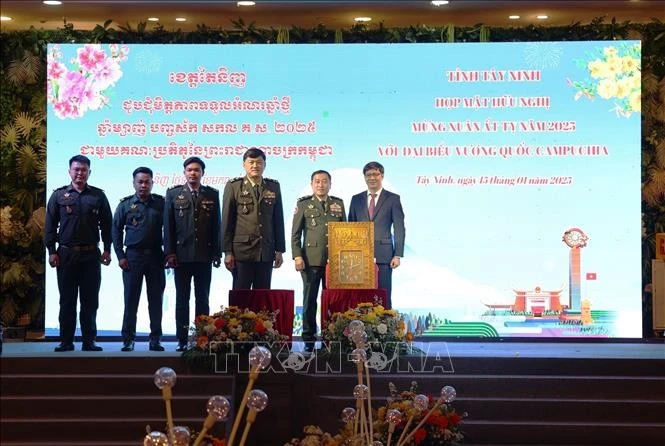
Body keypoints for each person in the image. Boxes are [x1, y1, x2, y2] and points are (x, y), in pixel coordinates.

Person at [45, 154, 113, 352]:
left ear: (89, 172)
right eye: (76, 169)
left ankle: (88, 341)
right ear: (69, 171)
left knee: (90, 301)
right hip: (66, 255)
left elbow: (107, 225)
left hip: (91, 256)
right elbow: (50, 226)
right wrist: (51, 251)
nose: (80, 173)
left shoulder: (98, 196)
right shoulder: (58, 195)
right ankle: (66, 341)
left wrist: (107, 249)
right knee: (67, 300)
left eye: (84, 170)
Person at [164, 156, 222, 351]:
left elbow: (216, 226)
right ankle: (181, 339)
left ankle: (201, 339)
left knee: (203, 299)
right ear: (184, 173)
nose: (193, 173)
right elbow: (168, 227)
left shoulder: (212, 195)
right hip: (181, 257)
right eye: (189, 170)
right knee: (182, 299)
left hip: (204, 256)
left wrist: (216, 252)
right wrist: (169, 253)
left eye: (197, 170)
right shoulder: (173, 194)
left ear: (202, 173)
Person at [291, 170, 346, 352]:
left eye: (324, 181)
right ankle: (308, 339)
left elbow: (345, 233)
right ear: (312, 184)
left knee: (333, 302)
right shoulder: (304, 204)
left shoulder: (338, 204)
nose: (321, 185)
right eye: (317, 181)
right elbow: (295, 234)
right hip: (310, 260)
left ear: (331, 184)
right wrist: (297, 256)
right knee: (310, 301)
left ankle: (331, 339)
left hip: (334, 262)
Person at [112, 167, 166, 352]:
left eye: (147, 182)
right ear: (134, 183)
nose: (143, 185)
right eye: (140, 182)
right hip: (132, 257)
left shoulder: (161, 203)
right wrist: (120, 255)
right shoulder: (125, 205)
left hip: (156, 257)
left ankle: (155, 339)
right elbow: (116, 231)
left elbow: (171, 229)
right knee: (131, 300)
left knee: (156, 301)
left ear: (152, 183)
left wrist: (169, 253)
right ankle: (128, 339)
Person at [222, 147, 285, 289]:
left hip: (266, 251)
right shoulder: (234, 186)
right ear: (244, 165)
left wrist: (279, 250)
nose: (255, 166)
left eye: (259, 162)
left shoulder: (273, 186)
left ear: (264, 165)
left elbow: (278, 220)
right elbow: (226, 221)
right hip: (241, 252)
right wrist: (227, 252)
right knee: (240, 297)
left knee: (262, 298)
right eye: (251, 162)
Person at [348, 161, 405, 308]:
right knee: (361, 297)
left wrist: (397, 255)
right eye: (368, 175)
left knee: (383, 294)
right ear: (364, 177)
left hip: (384, 256)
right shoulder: (356, 199)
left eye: (375, 174)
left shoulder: (393, 198)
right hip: (359, 258)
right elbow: (350, 228)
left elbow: (399, 228)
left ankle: (385, 329)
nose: (372, 178)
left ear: (382, 176)